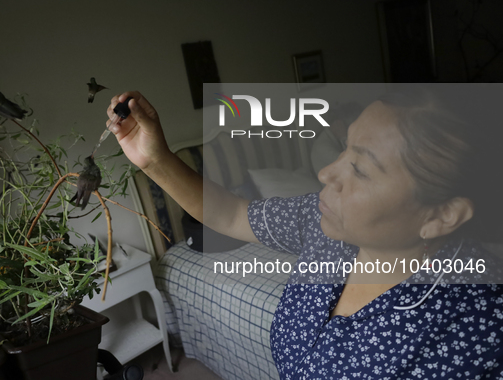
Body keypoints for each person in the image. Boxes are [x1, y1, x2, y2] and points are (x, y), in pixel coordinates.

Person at [106, 87, 503, 379]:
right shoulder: (325, 226)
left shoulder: (477, 329)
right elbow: (230, 215)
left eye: (361, 169)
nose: (326, 173)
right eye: (344, 147)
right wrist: (155, 158)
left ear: (443, 216)